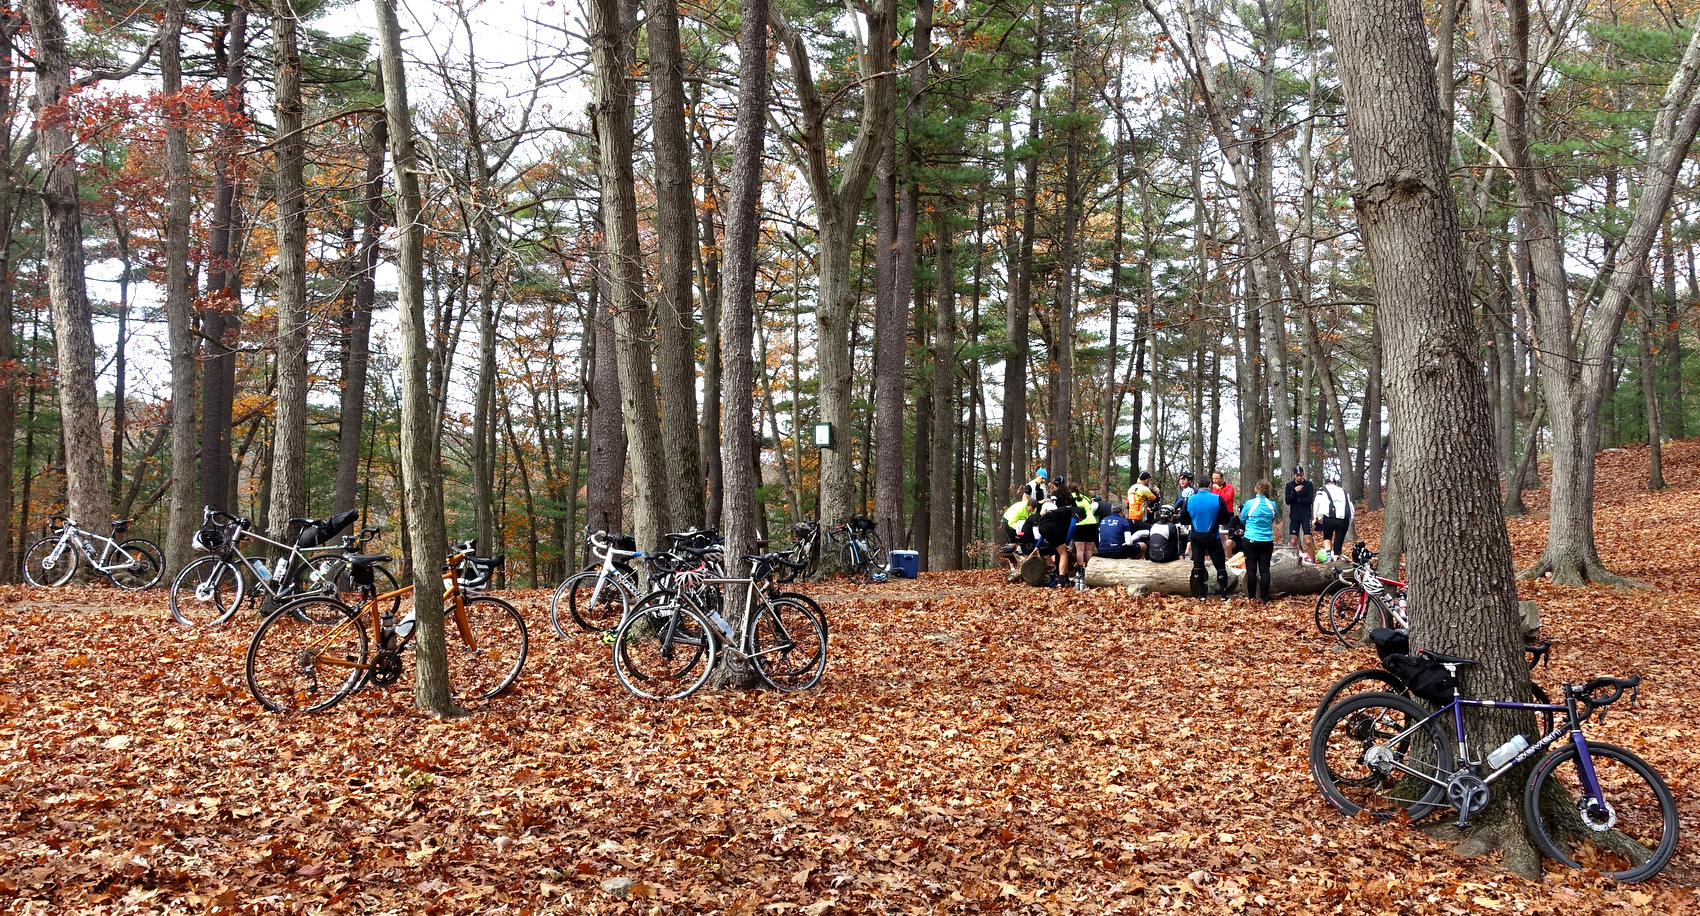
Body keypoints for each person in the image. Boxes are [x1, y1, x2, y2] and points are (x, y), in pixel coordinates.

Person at [1186, 486, 1234, 599]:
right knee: (1220, 566)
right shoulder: (1217, 498)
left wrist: (1193, 520)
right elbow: (1226, 518)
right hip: (1213, 537)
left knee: (1198, 566)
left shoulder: (1190, 499)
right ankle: (1223, 595)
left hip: (1196, 537)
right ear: (1209, 486)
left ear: (1198, 485)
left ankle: (1201, 595)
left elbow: (1183, 518)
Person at [1033, 484, 1082, 583]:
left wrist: (1037, 546)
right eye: (1079, 520)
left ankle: (1065, 578)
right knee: (1064, 553)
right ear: (1081, 516)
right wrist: (1067, 543)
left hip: (1042, 526)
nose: (1078, 521)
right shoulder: (1076, 510)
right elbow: (1072, 526)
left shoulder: (1060, 515)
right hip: (1050, 526)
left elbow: (1045, 530)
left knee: (1060, 552)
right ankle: (1061, 580)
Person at [1240, 480, 1278, 603]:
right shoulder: (1272, 504)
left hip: (1251, 538)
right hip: (1267, 540)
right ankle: (1264, 598)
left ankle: (1251, 597)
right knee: (1265, 570)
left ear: (1256, 489)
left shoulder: (1250, 503)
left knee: (1251, 570)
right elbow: (1272, 518)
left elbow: (1242, 518)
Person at [1313, 473, 1354, 558]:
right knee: (1339, 540)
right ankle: (1336, 557)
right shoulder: (1343, 491)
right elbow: (1350, 506)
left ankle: (1328, 556)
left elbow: (1317, 502)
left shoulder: (1322, 489)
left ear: (1326, 483)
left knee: (1327, 536)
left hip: (1330, 518)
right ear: (1335, 483)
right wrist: (1351, 518)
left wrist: (1315, 517)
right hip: (1344, 519)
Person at [1000, 495, 1038, 581]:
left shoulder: (1034, 510)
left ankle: (1023, 565)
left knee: (1023, 542)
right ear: (1027, 505)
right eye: (1030, 509)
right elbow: (1011, 522)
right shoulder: (1019, 509)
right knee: (1013, 544)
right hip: (1009, 522)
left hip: (1021, 523)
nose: (1032, 511)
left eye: (1033, 510)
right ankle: (1013, 567)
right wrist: (1019, 530)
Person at [1284, 466, 1317, 561]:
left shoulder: (1308, 485)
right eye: (1297, 475)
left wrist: (1298, 499)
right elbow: (1288, 501)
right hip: (1294, 516)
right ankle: (1295, 560)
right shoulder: (1289, 486)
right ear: (1294, 475)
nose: (1299, 477)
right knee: (1293, 541)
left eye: (1301, 475)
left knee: (1308, 541)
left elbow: (1309, 500)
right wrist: (1294, 491)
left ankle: (1312, 560)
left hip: (1305, 515)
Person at [1211, 471, 1238, 556]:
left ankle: (1228, 553)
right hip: (1216, 514)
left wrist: (1218, 489)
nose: (1214, 480)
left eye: (1216, 478)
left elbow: (1225, 499)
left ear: (1221, 479)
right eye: (1213, 478)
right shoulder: (1211, 488)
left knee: (1227, 534)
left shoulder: (1229, 487)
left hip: (1227, 514)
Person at [1071, 487, 1099, 571]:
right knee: (1089, 549)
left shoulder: (1070, 497)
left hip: (1080, 523)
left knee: (1080, 549)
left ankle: (1080, 569)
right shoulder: (1085, 497)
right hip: (1092, 522)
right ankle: (1088, 568)